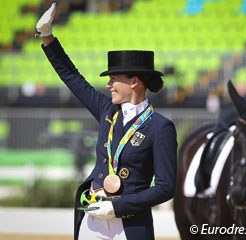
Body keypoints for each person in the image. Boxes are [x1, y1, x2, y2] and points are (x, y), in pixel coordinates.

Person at [35, 3, 177, 240]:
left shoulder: (160, 127)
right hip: (92, 220)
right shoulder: (107, 110)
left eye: (113, 79)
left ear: (134, 82)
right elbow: (72, 77)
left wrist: (117, 208)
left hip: (129, 226)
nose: (108, 85)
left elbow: (165, 188)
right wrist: (48, 37)